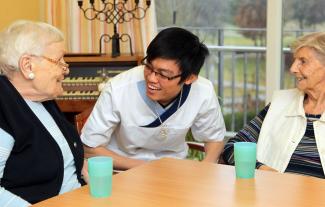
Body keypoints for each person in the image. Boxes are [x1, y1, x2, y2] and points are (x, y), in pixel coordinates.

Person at [81, 27, 226, 170]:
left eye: (163, 74)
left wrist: (206, 169)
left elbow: (215, 139)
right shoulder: (118, 88)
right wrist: (149, 169)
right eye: (149, 67)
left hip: (175, 172)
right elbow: (90, 148)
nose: (151, 78)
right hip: (123, 171)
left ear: (189, 78)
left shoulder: (203, 91)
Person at [0, 20, 85, 206]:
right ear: (28, 66)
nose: (66, 69)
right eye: (58, 60)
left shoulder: (42, 99)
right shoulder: (4, 108)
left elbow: (69, 161)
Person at [223, 32, 325, 178]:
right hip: (273, 195)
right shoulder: (279, 104)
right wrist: (262, 169)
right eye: (295, 60)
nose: (292, 68)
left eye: (303, 61)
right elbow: (234, 147)